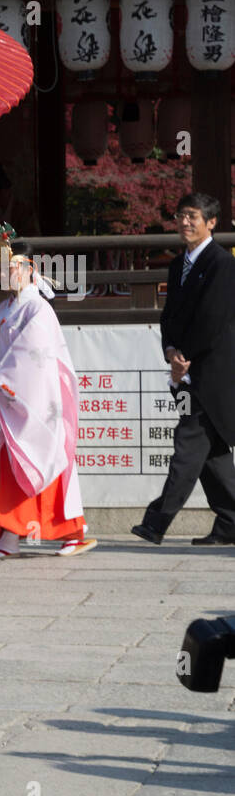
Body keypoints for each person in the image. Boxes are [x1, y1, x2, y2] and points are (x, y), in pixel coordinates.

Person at [0, 235, 96, 559]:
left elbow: (32, 355)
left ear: (30, 268)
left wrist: (1, 379)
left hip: (35, 396)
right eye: (0, 268)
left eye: (12, 267)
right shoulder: (4, 307)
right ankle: (14, 535)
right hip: (10, 397)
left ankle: (62, 532)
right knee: (17, 460)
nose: (4, 274)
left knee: (40, 456)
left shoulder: (37, 308)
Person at [132, 192, 235, 546]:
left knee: (189, 443)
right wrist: (171, 350)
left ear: (212, 222)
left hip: (211, 374)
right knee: (213, 453)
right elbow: (169, 316)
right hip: (185, 370)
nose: (185, 222)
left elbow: (214, 319)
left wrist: (184, 356)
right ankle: (231, 523)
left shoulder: (222, 264)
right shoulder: (178, 266)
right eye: (181, 216)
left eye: (193, 216)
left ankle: (155, 522)